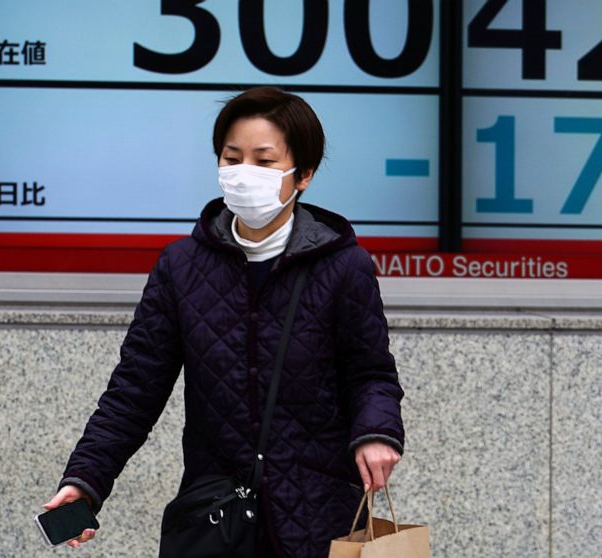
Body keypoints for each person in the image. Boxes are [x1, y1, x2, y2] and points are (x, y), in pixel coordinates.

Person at [42, 86, 405, 557]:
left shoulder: (343, 266)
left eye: (264, 160)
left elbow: (371, 373)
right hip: (215, 518)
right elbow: (135, 389)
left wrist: (375, 433)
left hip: (316, 515)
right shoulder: (181, 267)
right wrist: (86, 480)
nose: (243, 172)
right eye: (232, 158)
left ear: (304, 175)